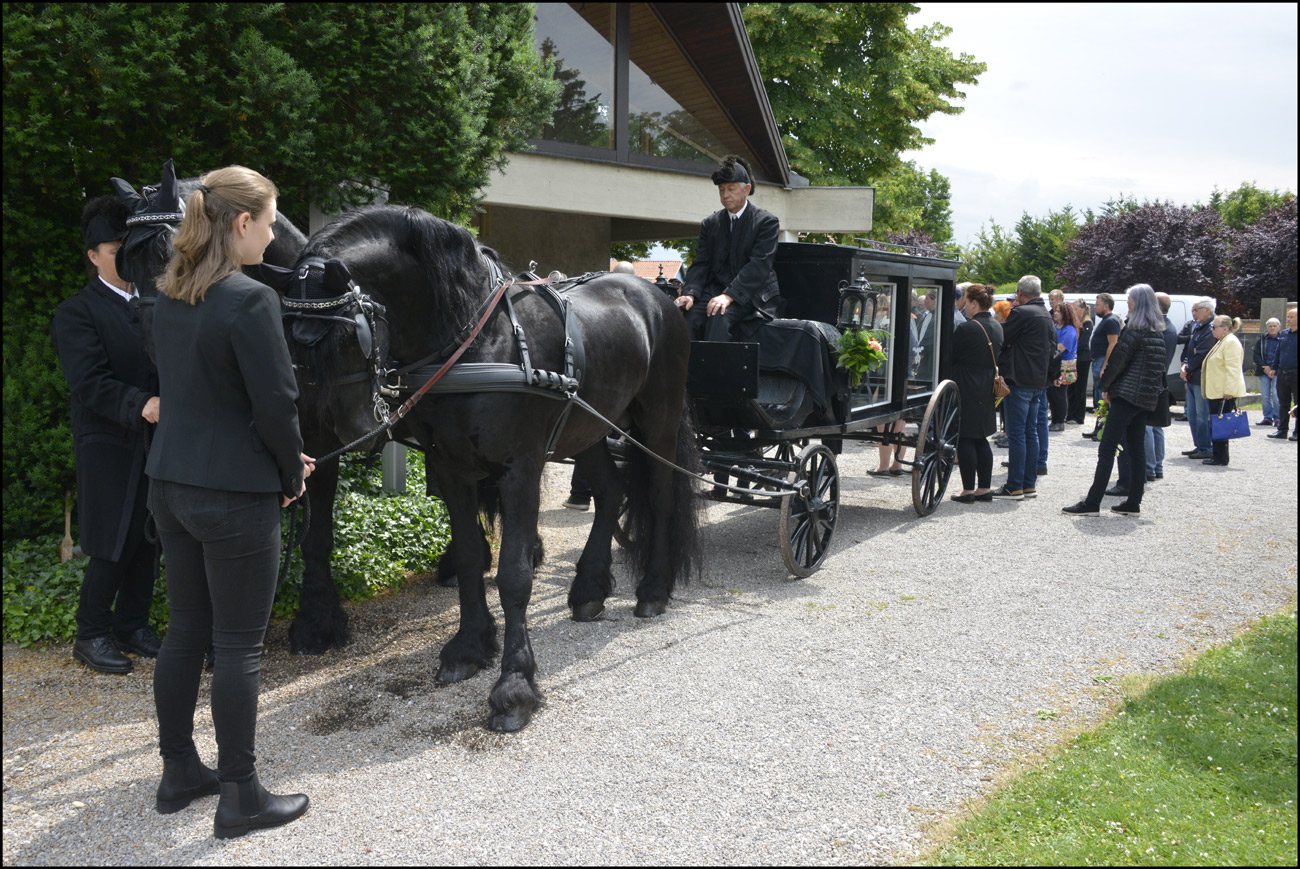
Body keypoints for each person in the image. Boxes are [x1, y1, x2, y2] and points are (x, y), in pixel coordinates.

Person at [146, 166, 313, 837]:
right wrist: (290, 469)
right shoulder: (249, 300)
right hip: (233, 495)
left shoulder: (168, 296)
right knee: (239, 645)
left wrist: (274, 453)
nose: (274, 238)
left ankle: (179, 769)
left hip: (171, 485)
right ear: (241, 223)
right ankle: (240, 794)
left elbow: (202, 396)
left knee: (185, 629)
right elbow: (276, 404)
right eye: (270, 223)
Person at [51, 195, 163, 675]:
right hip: (108, 443)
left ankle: (131, 626)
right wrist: (140, 403)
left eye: (129, 246)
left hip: (158, 441)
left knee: (149, 535)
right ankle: (90, 634)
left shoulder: (156, 304)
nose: (124, 256)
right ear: (93, 255)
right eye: (115, 248)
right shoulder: (77, 311)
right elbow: (88, 381)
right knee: (112, 540)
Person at [1063, 284, 1168, 517]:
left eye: (1130, 300)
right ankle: (1133, 502)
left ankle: (1092, 502)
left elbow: (1118, 362)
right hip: (1145, 398)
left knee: (1107, 447)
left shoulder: (1134, 331)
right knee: (1137, 449)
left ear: (1137, 303)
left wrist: (1105, 387)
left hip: (1127, 395)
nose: (1127, 303)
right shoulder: (1156, 332)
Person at [675, 155, 780, 341]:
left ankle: (716, 371)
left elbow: (758, 266)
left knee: (719, 317)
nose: (725, 195)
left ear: (746, 189)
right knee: (687, 316)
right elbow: (701, 263)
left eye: (731, 189)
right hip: (715, 289)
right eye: (721, 190)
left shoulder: (766, 222)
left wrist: (729, 296)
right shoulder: (710, 223)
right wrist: (690, 294)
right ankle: (686, 371)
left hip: (752, 294)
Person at [991, 276, 1055, 501]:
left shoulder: (1021, 313)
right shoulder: (1046, 314)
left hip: (1019, 380)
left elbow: (1002, 338)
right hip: (1038, 380)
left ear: (1019, 292)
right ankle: (1028, 484)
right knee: (1031, 432)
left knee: (1017, 434)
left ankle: (1014, 486)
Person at [948, 284, 1002, 502]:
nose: (964, 306)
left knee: (966, 437)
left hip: (967, 383)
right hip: (987, 384)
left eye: (966, 302)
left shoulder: (967, 328)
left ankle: (968, 490)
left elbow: (951, 356)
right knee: (981, 437)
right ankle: (984, 488)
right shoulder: (997, 326)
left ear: (974, 303)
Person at [1200, 315, 1247, 466]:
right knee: (1217, 424)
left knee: (1221, 425)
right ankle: (1218, 455)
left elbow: (1233, 369)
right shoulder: (1223, 341)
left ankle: (1221, 457)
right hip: (1216, 391)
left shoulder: (1231, 342)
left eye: (1214, 327)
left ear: (1225, 329)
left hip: (1223, 392)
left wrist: (1229, 390)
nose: (1211, 329)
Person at [1178, 298, 1218, 458]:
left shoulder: (1211, 327)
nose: (1193, 313)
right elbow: (1191, 349)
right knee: (1193, 414)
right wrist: (1185, 365)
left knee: (1202, 414)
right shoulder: (1198, 326)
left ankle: (1206, 447)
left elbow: (1202, 352)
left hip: (1202, 376)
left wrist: (1187, 367)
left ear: (1207, 309)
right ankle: (1200, 445)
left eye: (1196, 310)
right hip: (1192, 375)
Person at [1082, 293, 1122, 440]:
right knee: (1098, 398)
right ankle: (1098, 428)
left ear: (1106, 306)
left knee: (1103, 398)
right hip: (1098, 360)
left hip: (1102, 361)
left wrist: (1106, 365)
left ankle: (1103, 431)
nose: (1095, 308)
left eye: (1097, 305)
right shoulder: (1106, 321)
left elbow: (1113, 344)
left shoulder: (1111, 321)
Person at [1047, 301, 1080, 431]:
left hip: (1064, 366)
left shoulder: (1069, 330)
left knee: (1059, 394)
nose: (1055, 313)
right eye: (1055, 310)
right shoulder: (1056, 327)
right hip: (1055, 364)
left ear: (1065, 313)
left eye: (1058, 311)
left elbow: (1060, 348)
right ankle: (1054, 419)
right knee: (1052, 394)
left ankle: (1060, 421)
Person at [1268, 307, 1298, 440]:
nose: (1289, 319)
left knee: (1297, 403)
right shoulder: (1284, 334)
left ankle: (1297, 432)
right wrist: (1274, 367)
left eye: (1292, 317)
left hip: (1296, 373)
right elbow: (1278, 352)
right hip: (1282, 372)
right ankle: (1282, 430)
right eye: (1288, 317)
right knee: (1283, 403)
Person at [1253, 317, 1283, 427]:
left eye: (1275, 326)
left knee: (1276, 395)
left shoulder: (1283, 339)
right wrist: (1264, 367)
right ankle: (1267, 418)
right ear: (1267, 327)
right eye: (1270, 326)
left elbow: (1284, 355)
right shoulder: (1261, 340)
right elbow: (1256, 355)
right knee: (1265, 396)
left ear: (1279, 327)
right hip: (1264, 371)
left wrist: (1275, 369)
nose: (1272, 328)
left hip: (1278, 371)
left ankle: (1278, 418)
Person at [1067, 299, 1093, 424]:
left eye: (1076, 309)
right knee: (1071, 387)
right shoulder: (1075, 323)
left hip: (1082, 359)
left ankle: (1078, 416)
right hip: (1074, 358)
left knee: (1080, 388)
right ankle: (1070, 413)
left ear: (1082, 310)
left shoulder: (1087, 323)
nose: (1074, 311)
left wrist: (1072, 347)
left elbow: (1082, 342)